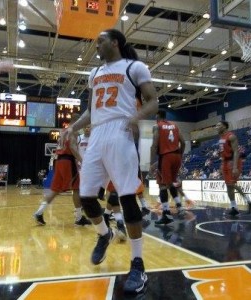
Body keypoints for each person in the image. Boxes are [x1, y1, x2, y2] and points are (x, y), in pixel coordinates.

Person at [61, 29, 158, 294]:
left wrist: (135, 119)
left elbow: (153, 101)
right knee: (87, 196)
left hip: (121, 131)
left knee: (127, 197)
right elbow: (92, 111)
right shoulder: (94, 74)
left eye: (100, 41)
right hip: (98, 134)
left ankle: (138, 264)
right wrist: (73, 127)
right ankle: (105, 234)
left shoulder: (135, 67)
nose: (96, 46)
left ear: (115, 42)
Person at [33, 114, 91, 226]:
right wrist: (83, 161)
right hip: (68, 162)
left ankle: (38, 213)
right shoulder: (73, 130)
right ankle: (79, 218)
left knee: (55, 190)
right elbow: (73, 148)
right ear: (78, 121)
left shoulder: (63, 131)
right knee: (77, 189)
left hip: (58, 161)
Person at [150, 110, 185, 225]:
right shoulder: (174, 125)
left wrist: (151, 163)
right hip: (177, 157)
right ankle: (179, 207)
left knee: (162, 185)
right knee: (170, 183)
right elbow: (183, 142)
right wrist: (180, 155)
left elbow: (154, 145)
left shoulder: (157, 126)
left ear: (158, 117)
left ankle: (166, 214)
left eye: (156, 117)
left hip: (166, 157)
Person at [216, 120, 251, 216]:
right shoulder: (221, 137)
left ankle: (249, 201)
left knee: (231, 184)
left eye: (218, 125)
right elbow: (222, 152)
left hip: (232, 161)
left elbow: (236, 151)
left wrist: (235, 166)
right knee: (228, 186)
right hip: (225, 162)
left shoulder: (231, 136)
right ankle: (234, 207)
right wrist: (222, 164)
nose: (216, 127)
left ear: (224, 126)